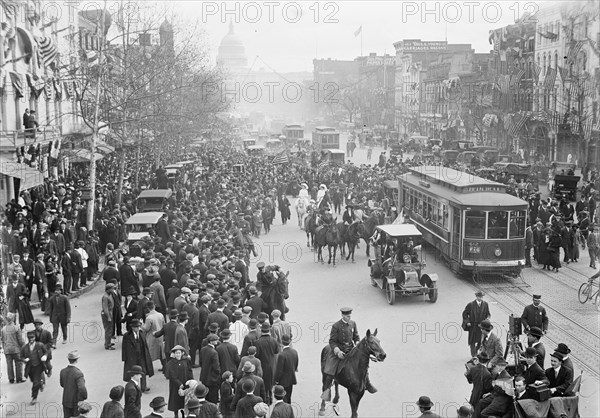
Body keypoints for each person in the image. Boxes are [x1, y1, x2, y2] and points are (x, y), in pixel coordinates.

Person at [328, 307, 377, 393]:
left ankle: (368, 383)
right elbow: (332, 341)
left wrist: (357, 342)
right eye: (347, 316)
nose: (349, 318)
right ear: (342, 315)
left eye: (350, 316)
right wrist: (338, 351)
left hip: (351, 349)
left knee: (363, 362)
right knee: (332, 366)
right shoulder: (336, 326)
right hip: (341, 349)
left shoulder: (353, 323)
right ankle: (330, 382)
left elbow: (356, 336)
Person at [122, 319, 154, 392]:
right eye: (136, 327)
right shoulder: (127, 335)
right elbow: (124, 348)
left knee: (143, 370)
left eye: (138, 327)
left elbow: (145, 345)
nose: (137, 328)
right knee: (133, 372)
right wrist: (124, 358)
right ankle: (134, 386)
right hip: (132, 357)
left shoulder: (142, 333)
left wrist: (147, 355)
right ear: (132, 327)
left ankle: (144, 387)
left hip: (141, 356)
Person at [165, 345, 193, 417]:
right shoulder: (171, 363)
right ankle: (176, 414)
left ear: (182, 353)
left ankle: (184, 413)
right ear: (174, 354)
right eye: (176, 353)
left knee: (184, 400)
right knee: (175, 400)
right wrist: (179, 384)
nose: (178, 355)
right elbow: (172, 375)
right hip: (175, 385)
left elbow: (189, 371)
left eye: (179, 353)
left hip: (185, 383)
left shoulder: (185, 361)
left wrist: (190, 381)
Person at [21, 330, 48, 405]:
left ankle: (34, 397)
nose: (31, 339)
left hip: (39, 366)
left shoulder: (40, 345)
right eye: (29, 338)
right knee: (33, 381)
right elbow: (21, 356)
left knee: (35, 382)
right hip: (30, 367)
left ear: (35, 337)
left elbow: (46, 351)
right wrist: (24, 360)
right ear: (28, 338)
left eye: (32, 337)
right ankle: (41, 383)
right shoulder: (24, 347)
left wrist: (45, 356)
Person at [462, 291, 491, 357]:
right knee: (472, 341)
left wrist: (487, 319)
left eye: (481, 297)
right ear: (476, 297)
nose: (480, 298)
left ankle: (476, 351)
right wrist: (467, 322)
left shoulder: (485, 304)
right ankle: (473, 355)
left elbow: (488, 314)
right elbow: (465, 314)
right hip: (473, 325)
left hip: (481, 326)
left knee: (480, 341)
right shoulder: (471, 304)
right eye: (479, 297)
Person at [60, 350, 88, 418]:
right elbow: (82, 388)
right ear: (77, 360)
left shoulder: (63, 371)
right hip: (76, 401)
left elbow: (62, 384)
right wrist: (84, 397)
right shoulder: (78, 373)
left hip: (66, 400)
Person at [1, 313, 25, 383]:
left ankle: (11, 379)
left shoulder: (3, 329)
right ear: (13, 319)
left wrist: (4, 348)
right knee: (18, 362)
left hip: (7, 350)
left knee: (9, 364)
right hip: (16, 349)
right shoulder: (16, 328)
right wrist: (23, 347)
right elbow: (20, 340)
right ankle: (19, 378)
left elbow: (2, 340)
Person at [274, 334, 298, 404]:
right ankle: (289, 409)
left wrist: (276, 380)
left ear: (281, 342)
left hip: (283, 380)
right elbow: (296, 365)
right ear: (289, 341)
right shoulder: (294, 352)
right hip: (291, 378)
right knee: (289, 396)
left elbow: (279, 370)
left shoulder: (282, 355)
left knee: (283, 398)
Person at [200, 334, 221, 404]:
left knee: (206, 395)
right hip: (212, 378)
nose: (217, 341)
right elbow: (216, 367)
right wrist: (218, 373)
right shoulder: (214, 352)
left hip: (204, 377)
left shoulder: (203, 349)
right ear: (211, 342)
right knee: (213, 397)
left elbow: (201, 362)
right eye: (215, 340)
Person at [102, 283, 117, 350]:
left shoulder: (109, 295)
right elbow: (105, 308)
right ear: (108, 289)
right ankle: (107, 345)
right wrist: (108, 316)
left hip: (111, 313)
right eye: (112, 289)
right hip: (107, 314)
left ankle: (109, 342)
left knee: (110, 328)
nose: (113, 290)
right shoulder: (105, 297)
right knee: (108, 329)